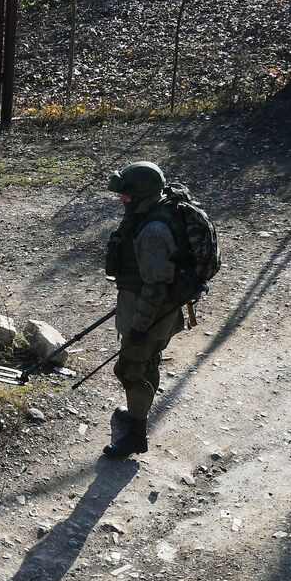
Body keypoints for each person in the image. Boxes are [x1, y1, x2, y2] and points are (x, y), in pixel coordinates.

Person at [102, 161, 185, 459]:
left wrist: (139, 326)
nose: (123, 200)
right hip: (154, 312)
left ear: (143, 195)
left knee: (131, 371)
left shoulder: (153, 231)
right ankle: (137, 414)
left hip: (149, 315)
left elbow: (156, 286)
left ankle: (136, 435)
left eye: (127, 195)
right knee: (149, 364)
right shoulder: (151, 214)